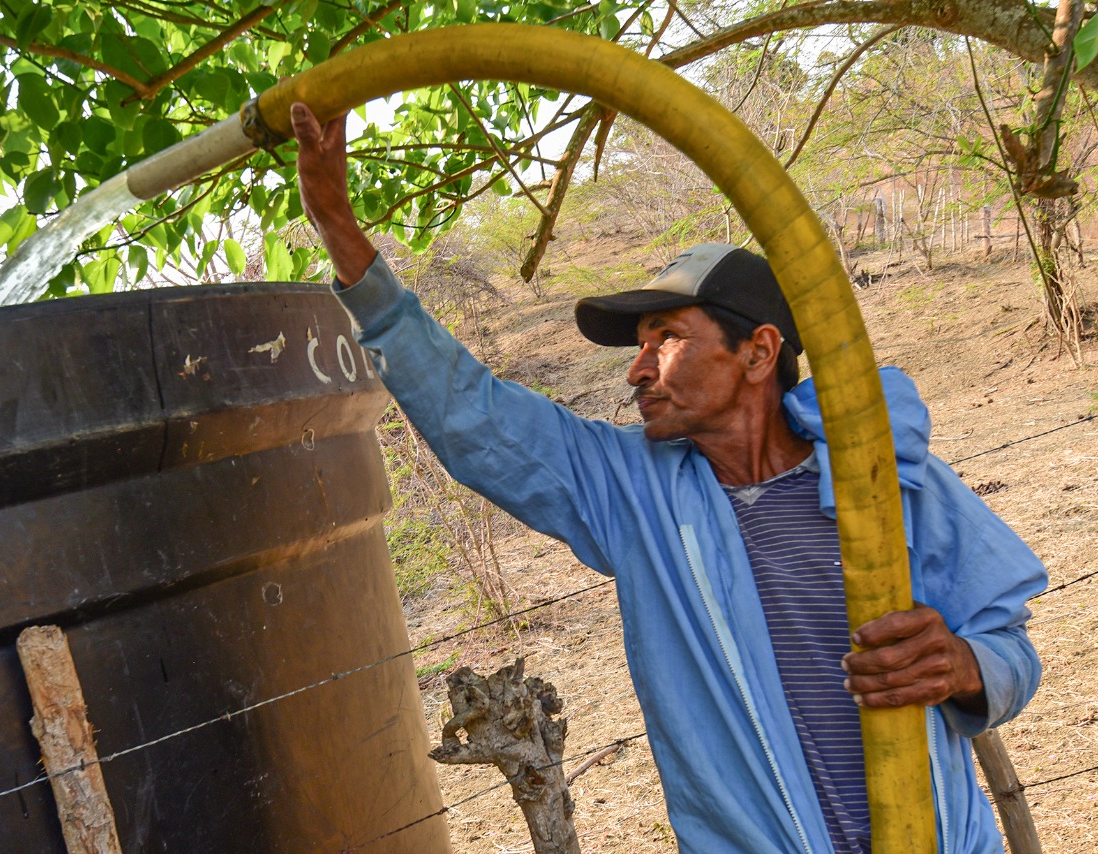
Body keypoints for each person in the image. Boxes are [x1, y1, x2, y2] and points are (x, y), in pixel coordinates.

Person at [287, 102, 1047, 853]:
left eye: (668, 339)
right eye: (641, 344)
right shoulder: (633, 491)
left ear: (757, 353)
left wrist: (963, 666)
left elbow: (1009, 648)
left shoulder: (884, 471)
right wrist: (342, 236)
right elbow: (474, 417)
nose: (637, 369)